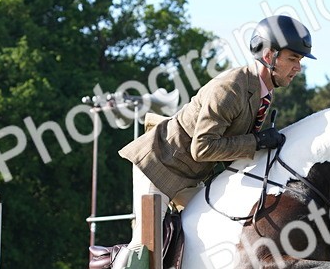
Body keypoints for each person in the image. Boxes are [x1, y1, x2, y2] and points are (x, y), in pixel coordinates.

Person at [119, 14, 315, 212]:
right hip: (159, 167)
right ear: (268, 56)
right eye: (293, 59)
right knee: (148, 243)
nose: (298, 68)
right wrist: (257, 142)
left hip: (190, 177)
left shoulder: (263, 93)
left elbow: (232, 149)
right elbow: (203, 147)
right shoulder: (230, 89)